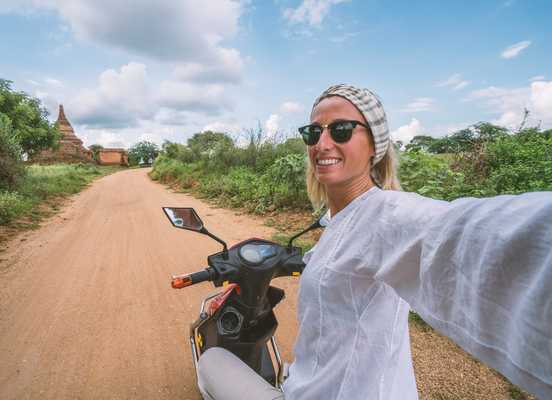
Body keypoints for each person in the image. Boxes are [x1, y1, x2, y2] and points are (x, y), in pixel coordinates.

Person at [197, 84, 552, 400]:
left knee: (211, 360)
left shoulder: (387, 215)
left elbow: (470, 233)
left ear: (375, 146)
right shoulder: (340, 219)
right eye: (312, 132)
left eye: (341, 129)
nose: (322, 143)